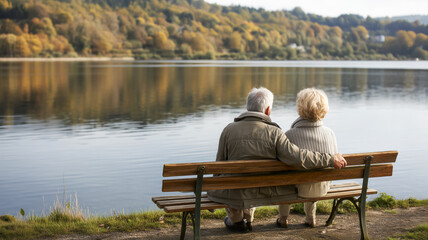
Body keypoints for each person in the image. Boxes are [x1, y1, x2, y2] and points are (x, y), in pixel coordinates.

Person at [207, 87, 347, 233]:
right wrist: (330, 159)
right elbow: (297, 157)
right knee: (254, 181)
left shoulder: (228, 130)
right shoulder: (275, 133)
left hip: (235, 192)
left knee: (238, 182)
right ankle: (247, 218)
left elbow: (219, 165)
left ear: (248, 107)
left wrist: (213, 189)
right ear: (268, 110)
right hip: (264, 191)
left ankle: (238, 221)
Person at [277, 88, 338, 228]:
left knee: (286, 177)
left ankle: (283, 218)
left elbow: (283, 163)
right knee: (314, 173)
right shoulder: (330, 133)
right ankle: (310, 218)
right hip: (323, 187)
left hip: (297, 188)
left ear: (300, 107)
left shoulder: (289, 135)